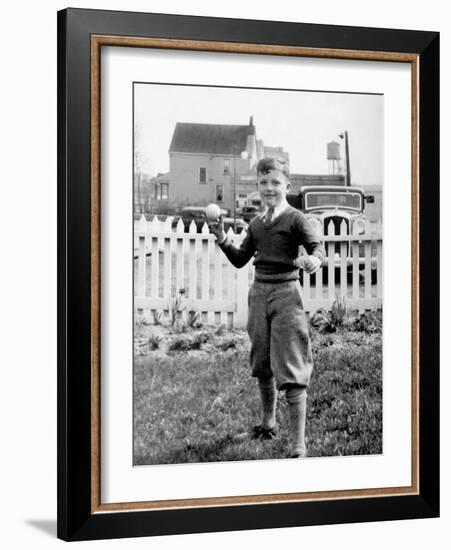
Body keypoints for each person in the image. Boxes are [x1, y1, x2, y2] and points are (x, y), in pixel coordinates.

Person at [209, 157, 325, 458]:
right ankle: (268, 423)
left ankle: (299, 444)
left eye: (275, 182)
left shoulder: (297, 219)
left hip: (287, 294)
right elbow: (239, 259)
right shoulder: (257, 224)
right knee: (262, 362)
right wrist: (222, 238)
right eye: (263, 183)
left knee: (291, 366)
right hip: (259, 294)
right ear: (257, 186)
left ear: (288, 184)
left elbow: (318, 248)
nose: (269, 188)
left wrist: (315, 260)